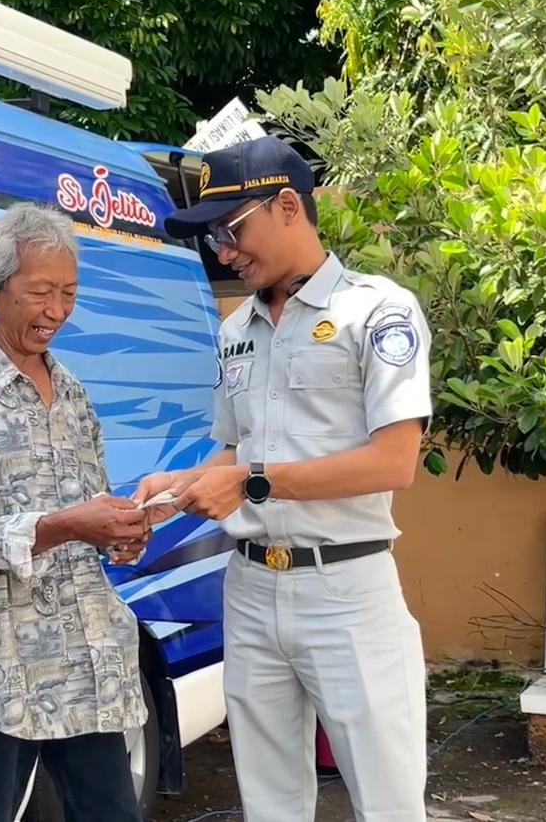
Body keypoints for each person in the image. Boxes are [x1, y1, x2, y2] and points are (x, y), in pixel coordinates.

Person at [137, 136, 432, 822]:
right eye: (213, 237)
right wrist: (172, 489)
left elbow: (395, 462)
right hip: (249, 588)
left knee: (387, 801)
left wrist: (251, 483)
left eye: (234, 230)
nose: (225, 252)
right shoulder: (236, 328)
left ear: (290, 205)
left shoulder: (377, 311)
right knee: (269, 801)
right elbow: (231, 454)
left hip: (347, 592)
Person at [0, 203, 153, 822]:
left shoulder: (72, 393)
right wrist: (70, 525)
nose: (57, 312)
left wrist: (121, 535)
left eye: (69, 294)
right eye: (40, 292)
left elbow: (93, 503)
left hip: (84, 661)